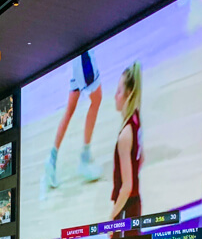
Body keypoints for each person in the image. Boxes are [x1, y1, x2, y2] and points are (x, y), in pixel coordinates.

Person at [41, 50, 104, 197]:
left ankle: (52, 160)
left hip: (78, 57)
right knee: (97, 100)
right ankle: (85, 158)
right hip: (83, 56)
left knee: (70, 109)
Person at [111, 62, 143, 223]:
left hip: (125, 206)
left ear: (128, 94)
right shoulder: (137, 118)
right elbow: (141, 158)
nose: (115, 96)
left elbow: (127, 186)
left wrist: (112, 218)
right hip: (135, 202)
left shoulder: (125, 135)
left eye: (118, 92)